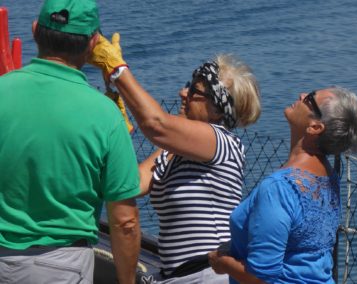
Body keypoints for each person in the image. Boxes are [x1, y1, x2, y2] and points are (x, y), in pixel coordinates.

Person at [88, 34, 261, 283]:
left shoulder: (221, 141)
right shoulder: (174, 151)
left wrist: (118, 70)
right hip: (178, 275)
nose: (183, 92)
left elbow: (156, 124)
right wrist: (116, 127)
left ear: (216, 109)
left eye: (194, 90)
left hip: (208, 273)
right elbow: (130, 183)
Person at [0, 1, 141, 284]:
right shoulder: (105, 114)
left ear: (35, 30)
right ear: (93, 44)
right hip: (60, 266)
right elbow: (125, 221)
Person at [208, 87, 357, 283]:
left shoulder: (279, 188)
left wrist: (222, 262)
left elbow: (261, 279)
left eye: (309, 98)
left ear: (315, 127)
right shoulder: (329, 178)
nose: (301, 95)